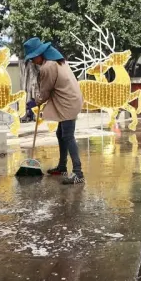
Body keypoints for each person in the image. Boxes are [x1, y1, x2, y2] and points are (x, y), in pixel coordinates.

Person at [25, 37, 85, 185]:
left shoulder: (48, 67)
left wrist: (36, 100)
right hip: (69, 100)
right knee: (60, 134)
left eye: (33, 58)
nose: (33, 62)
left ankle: (78, 173)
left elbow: (45, 92)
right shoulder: (57, 60)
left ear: (40, 54)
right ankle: (62, 166)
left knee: (68, 136)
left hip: (67, 103)